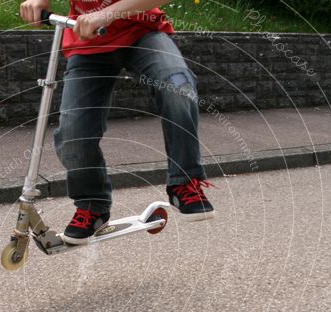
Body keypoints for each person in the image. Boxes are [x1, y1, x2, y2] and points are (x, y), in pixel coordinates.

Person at [19, 0, 214, 245]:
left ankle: (184, 183)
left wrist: (107, 14)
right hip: (89, 43)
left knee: (178, 87)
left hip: (142, 33)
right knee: (72, 134)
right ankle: (93, 205)